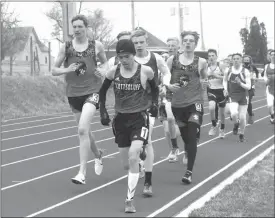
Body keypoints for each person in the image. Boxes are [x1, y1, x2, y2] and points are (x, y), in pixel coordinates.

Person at [99, 39, 159, 213]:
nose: (123, 60)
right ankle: (139, 158)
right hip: (120, 120)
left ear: (133, 55)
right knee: (126, 164)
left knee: (133, 156)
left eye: (127, 56)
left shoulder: (145, 71)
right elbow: (102, 92)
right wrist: (103, 111)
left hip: (140, 118)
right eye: (120, 57)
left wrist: (154, 104)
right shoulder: (113, 72)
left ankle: (129, 200)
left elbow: (155, 89)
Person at [51, 15, 108, 185]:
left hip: (92, 91)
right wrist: (66, 69)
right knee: (85, 131)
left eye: (79, 27)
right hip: (73, 94)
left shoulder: (95, 45)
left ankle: (81, 172)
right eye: (74, 27)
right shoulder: (66, 47)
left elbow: (106, 63)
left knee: (82, 129)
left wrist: (102, 71)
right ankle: (98, 154)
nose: (76, 30)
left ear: (86, 28)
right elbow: (54, 70)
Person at [163, 31, 208, 184]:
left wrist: (204, 82)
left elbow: (204, 76)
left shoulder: (201, 62)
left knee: (193, 131)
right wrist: (168, 86)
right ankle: (188, 147)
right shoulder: (172, 60)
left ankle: (188, 172)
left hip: (195, 102)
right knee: (186, 137)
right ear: (182, 43)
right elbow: (164, 77)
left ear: (195, 44)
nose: (188, 43)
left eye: (191, 41)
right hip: (177, 105)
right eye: (186, 41)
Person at [130, 29, 171, 195]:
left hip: (150, 104)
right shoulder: (128, 59)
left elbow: (166, 72)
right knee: (134, 144)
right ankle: (140, 159)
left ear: (147, 42)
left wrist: (165, 84)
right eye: (135, 43)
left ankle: (148, 182)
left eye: (141, 42)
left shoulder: (156, 58)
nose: (139, 45)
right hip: (131, 105)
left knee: (147, 139)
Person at [159, 37, 181, 163]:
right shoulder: (163, 61)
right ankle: (173, 150)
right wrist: (163, 86)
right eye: (169, 45)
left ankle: (179, 146)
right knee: (167, 129)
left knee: (177, 127)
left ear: (179, 47)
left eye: (173, 45)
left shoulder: (183, 61)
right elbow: (163, 77)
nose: (171, 47)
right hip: (167, 96)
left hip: (181, 97)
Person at [223, 53, 251, 142]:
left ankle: (242, 134)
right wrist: (225, 89)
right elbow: (224, 81)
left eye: (237, 58)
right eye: (234, 58)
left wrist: (240, 83)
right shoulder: (228, 70)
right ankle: (236, 124)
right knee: (234, 113)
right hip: (233, 95)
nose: (235, 60)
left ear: (241, 60)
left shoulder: (245, 71)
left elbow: (249, 87)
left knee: (242, 117)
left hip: (243, 95)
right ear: (232, 60)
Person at [206, 49, 227, 138]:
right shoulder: (205, 66)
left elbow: (227, 77)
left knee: (222, 113)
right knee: (211, 107)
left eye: (213, 56)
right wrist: (205, 80)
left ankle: (222, 129)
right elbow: (202, 78)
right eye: (209, 56)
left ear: (216, 57)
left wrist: (216, 75)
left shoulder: (220, 65)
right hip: (211, 90)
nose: (211, 58)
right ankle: (214, 125)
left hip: (221, 90)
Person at [243, 55, 259, 124]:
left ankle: (250, 116)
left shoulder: (252, 67)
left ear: (250, 60)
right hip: (243, 86)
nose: (246, 61)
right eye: (245, 60)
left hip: (251, 87)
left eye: (247, 60)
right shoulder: (241, 67)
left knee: (248, 101)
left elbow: (257, 72)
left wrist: (257, 78)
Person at [263, 49, 275, 124]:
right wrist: (266, 80)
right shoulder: (266, 66)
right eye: (272, 54)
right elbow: (264, 76)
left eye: (274, 54)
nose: (273, 56)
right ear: (269, 56)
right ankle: (272, 115)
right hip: (270, 88)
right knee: (269, 105)